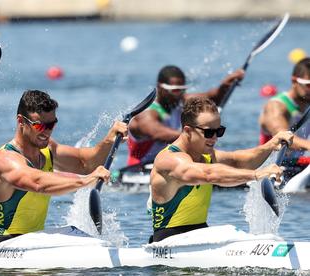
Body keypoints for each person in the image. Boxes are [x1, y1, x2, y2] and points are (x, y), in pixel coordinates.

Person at [0, 89, 128, 244]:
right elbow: (38, 182)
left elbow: (85, 163)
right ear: (21, 121)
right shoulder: (5, 159)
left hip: (35, 241)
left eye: (51, 125)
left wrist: (110, 139)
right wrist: (85, 180)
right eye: (40, 126)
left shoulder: (48, 149)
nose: (47, 132)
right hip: (6, 245)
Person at [149, 96, 293, 243]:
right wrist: (257, 174)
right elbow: (208, 174)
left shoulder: (206, 154)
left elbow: (238, 161)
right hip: (168, 241)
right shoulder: (169, 160)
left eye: (219, 131)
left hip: (200, 235)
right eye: (209, 133)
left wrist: (271, 144)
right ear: (187, 131)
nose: (214, 138)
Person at [127, 65, 245, 167]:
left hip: (173, 163)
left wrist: (225, 86)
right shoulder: (146, 115)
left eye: (182, 90)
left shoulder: (181, 101)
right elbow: (160, 133)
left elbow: (212, 98)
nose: (179, 95)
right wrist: (201, 134)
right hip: (141, 168)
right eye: (175, 90)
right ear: (160, 88)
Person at [258, 57, 310, 180]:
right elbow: (281, 136)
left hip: (300, 164)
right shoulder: (276, 106)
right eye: (308, 85)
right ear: (294, 81)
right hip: (274, 167)